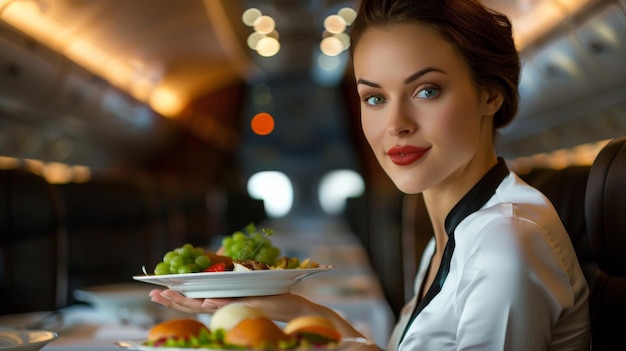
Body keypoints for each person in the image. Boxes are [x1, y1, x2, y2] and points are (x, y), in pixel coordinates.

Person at [149, 0, 591, 349]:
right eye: (374, 98)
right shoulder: (460, 228)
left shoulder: (504, 242)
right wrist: (294, 307)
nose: (395, 123)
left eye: (426, 90)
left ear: (490, 95)